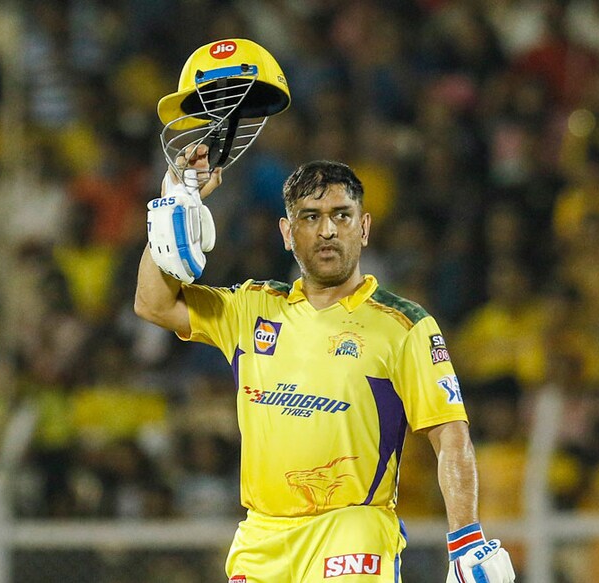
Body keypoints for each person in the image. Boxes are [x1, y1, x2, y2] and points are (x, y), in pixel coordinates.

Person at [134, 149, 515, 583]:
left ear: (365, 227)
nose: (328, 230)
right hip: (262, 536)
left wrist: (466, 539)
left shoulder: (404, 325)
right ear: (287, 232)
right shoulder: (251, 306)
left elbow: (450, 434)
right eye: (310, 217)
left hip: (352, 530)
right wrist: (172, 214)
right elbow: (152, 302)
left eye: (342, 215)